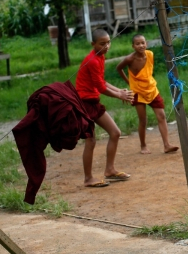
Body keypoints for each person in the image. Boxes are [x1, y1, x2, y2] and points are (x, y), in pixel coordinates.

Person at [76, 28, 134, 187]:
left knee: (115, 133)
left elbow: (102, 82)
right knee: (91, 141)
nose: (106, 46)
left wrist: (119, 90)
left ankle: (110, 170)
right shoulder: (93, 60)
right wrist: (119, 95)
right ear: (93, 44)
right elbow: (101, 87)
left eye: (108, 42)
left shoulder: (100, 57)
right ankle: (88, 179)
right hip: (84, 104)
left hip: (93, 102)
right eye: (102, 43)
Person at [116, 34, 179, 155]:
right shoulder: (130, 59)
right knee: (143, 120)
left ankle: (166, 145)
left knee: (161, 116)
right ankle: (143, 145)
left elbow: (148, 71)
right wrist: (128, 81)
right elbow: (119, 68)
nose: (141, 45)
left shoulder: (150, 54)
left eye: (143, 43)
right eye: (138, 44)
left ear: (147, 44)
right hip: (138, 92)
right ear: (133, 46)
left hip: (151, 89)